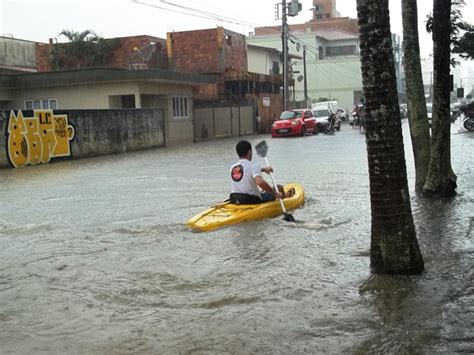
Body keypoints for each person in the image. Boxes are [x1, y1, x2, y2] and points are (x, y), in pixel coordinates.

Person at [229, 140, 294, 204]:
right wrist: (275, 193)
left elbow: (245, 171)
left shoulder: (233, 168)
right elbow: (260, 183)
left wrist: (263, 169)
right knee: (279, 187)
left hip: (235, 199)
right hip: (251, 200)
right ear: (249, 152)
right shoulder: (254, 165)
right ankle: (284, 196)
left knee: (262, 191)